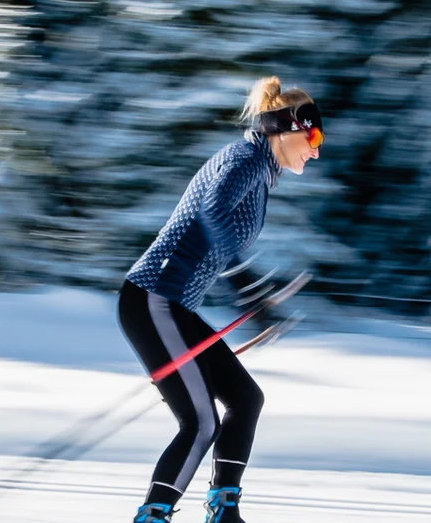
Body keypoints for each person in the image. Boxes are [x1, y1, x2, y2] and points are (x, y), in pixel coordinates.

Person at [120, 77, 323, 523]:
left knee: (246, 399)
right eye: (313, 136)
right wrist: (246, 284)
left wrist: (255, 297)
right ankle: (153, 516)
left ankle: (223, 510)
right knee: (200, 423)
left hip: (173, 305)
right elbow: (212, 213)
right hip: (154, 298)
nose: (316, 149)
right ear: (287, 130)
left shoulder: (258, 168)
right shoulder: (245, 159)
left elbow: (217, 232)